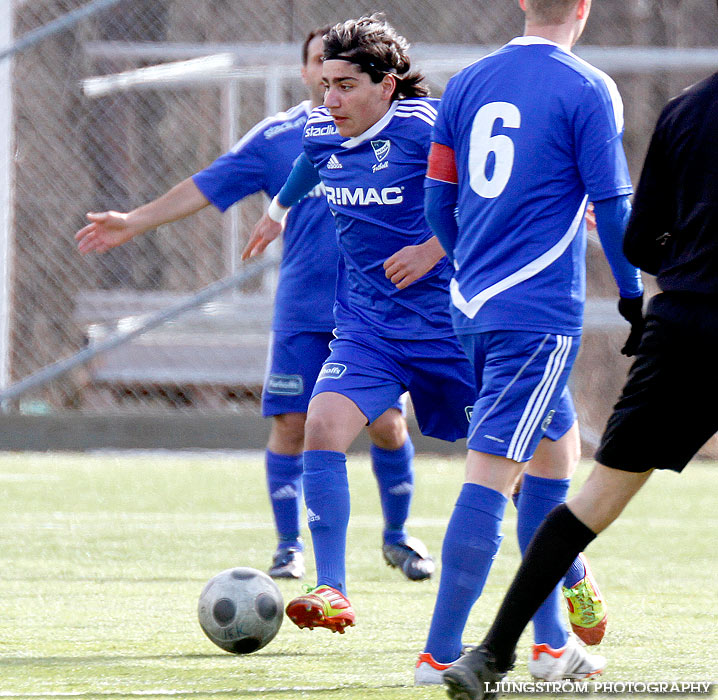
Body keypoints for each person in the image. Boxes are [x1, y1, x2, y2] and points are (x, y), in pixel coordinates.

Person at [74, 26, 436, 585]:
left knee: (388, 425)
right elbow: (207, 184)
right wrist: (135, 220)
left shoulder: (409, 133)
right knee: (295, 424)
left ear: (377, 84)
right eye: (321, 70)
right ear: (305, 73)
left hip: (380, 312)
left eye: (343, 76)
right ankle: (291, 548)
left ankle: (396, 537)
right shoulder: (285, 135)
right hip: (304, 310)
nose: (330, 84)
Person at [442, 28, 718, 700]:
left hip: (685, 329)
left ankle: (490, 655)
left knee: (588, 502)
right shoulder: (590, 88)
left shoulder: (686, 110)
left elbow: (641, 238)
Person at [418, 0, 646, 687]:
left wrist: (469, 267)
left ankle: (549, 648)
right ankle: (439, 653)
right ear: (585, 6)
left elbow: (437, 200)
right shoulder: (587, 86)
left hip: (473, 305)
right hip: (536, 312)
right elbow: (611, 202)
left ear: (523, 0)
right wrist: (633, 293)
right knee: (492, 472)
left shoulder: (466, 80)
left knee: (557, 454)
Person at [244, 14, 478, 634]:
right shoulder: (324, 129)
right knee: (321, 424)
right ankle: (333, 590)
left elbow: (487, 200)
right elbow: (307, 165)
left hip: (450, 330)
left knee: (511, 468)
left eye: (345, 85)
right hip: (369, 328)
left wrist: (432, 249)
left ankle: (570, 574)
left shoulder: (429, 128)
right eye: (325, 84)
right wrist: (277, 211)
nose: (329, 100)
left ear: (388, 85)